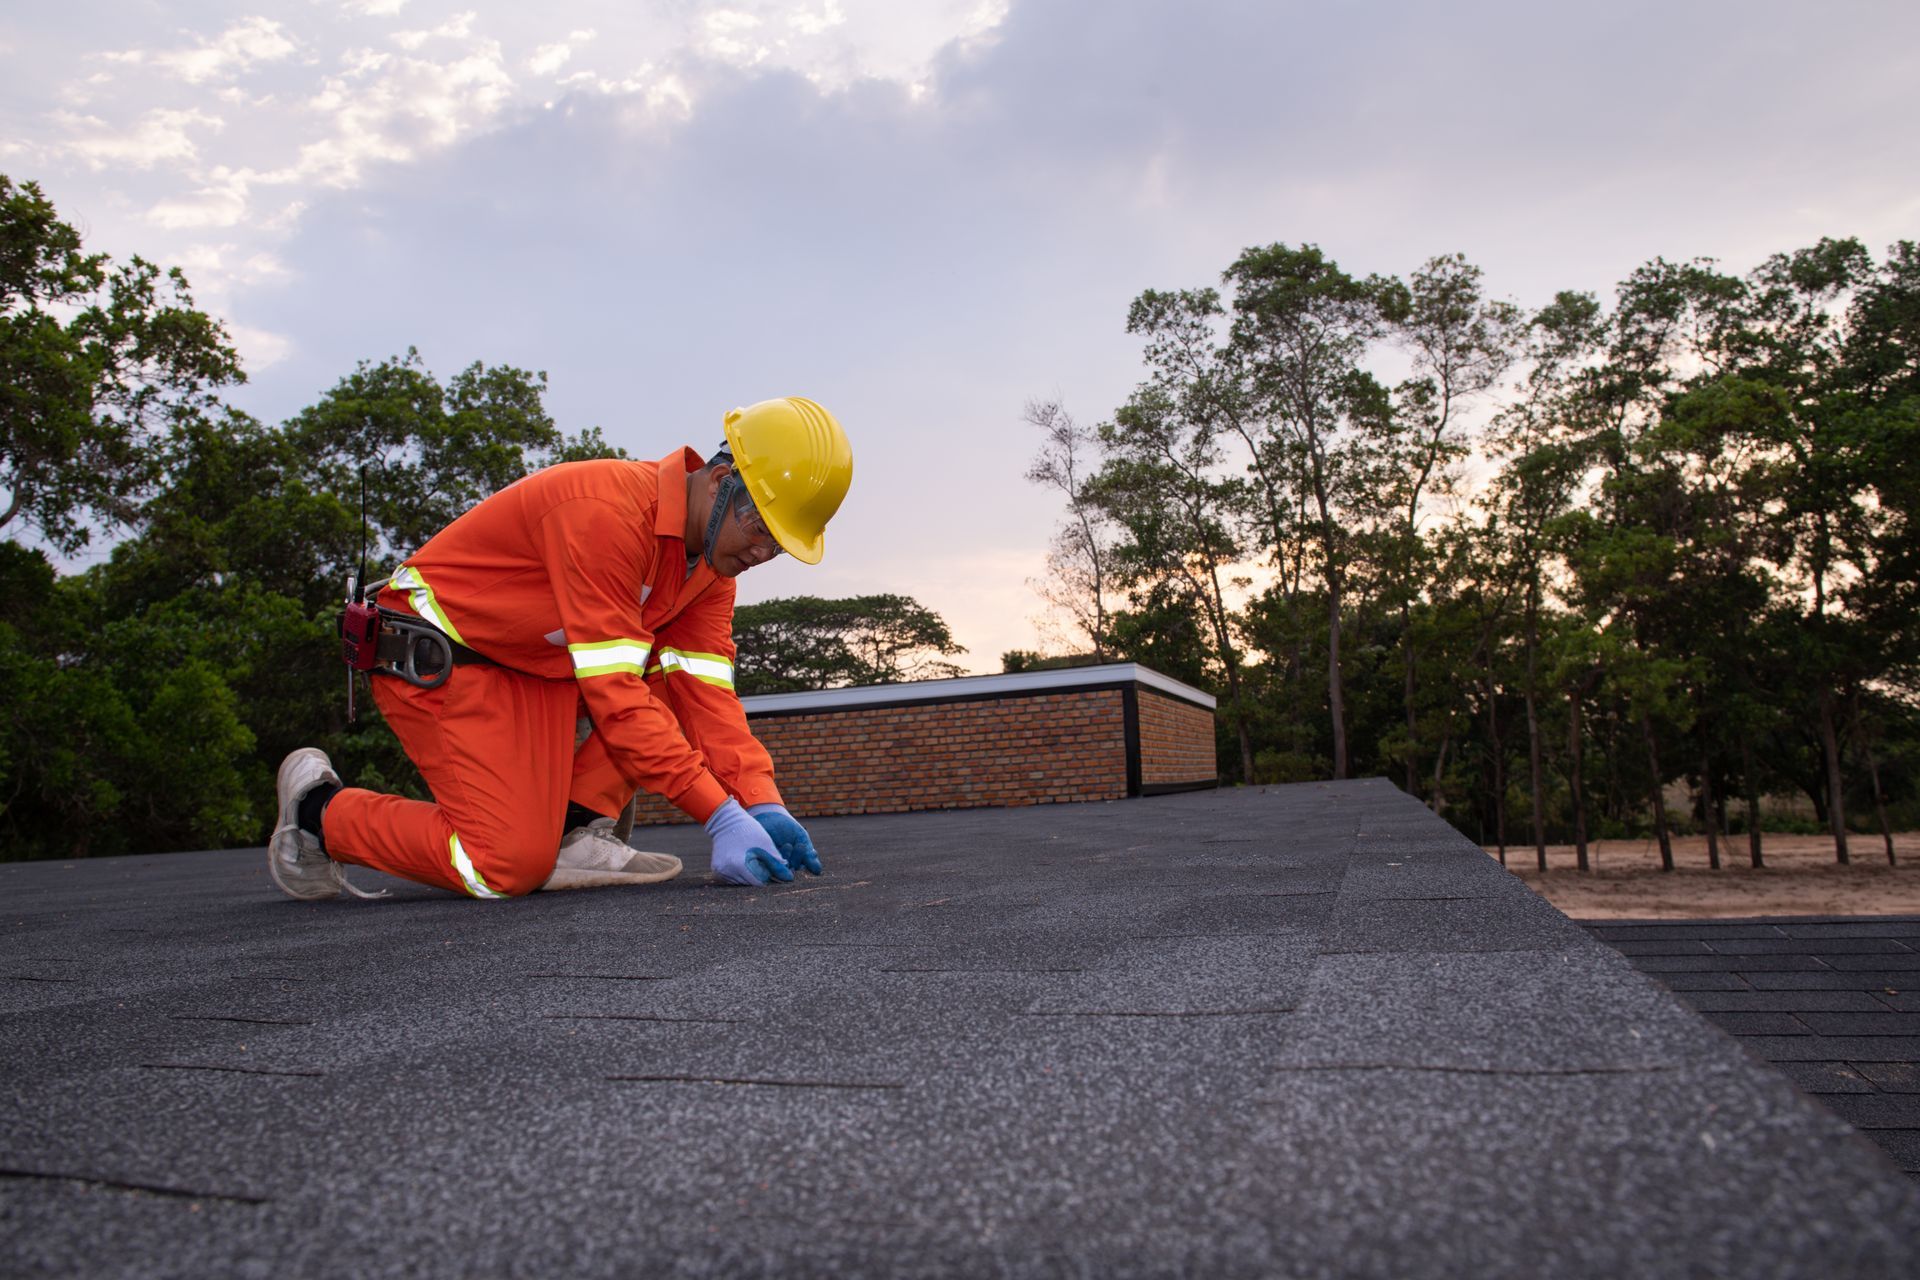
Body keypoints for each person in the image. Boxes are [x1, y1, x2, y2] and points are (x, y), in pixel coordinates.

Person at [265, 396, 853, 901]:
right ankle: (318, 813)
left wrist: (760, 800)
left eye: (779, 546)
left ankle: (575, 832)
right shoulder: (606, 513)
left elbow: (706, 698)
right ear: (722, 484)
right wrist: (719, 815)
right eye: (761, 530)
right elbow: (615, 698)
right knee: (504, 867)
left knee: (671, 679)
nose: (762, 554)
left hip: (535, 670)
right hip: (443, 656)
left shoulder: (709, 575)